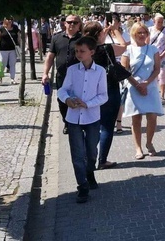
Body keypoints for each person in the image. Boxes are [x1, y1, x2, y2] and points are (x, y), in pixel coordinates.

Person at [57, 36, 108, 203]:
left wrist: (88, 104)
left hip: (92, 116)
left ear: (91, 52)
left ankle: (89, 171)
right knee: (77, 154)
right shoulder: (72, 70)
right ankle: (82, 186)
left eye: (82, 51)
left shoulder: (100, 71)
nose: (78, 54)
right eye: (76, 51)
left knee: (91, 152)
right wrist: (67, 100)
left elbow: (103, 96)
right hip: (73, 119)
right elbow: (62, 90)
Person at [82, 21, 131, 170]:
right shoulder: (107, 49)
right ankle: (102, 160)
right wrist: (115, 31)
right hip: (109, 89)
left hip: (89, 91)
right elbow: (124, 47)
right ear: (98, 35)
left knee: (92, 127)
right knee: (107, 127)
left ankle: (87, 158)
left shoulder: (83, 50)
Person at [121, 22, 164, 160]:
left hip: (150, 86)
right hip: (134, 87)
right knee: (136, 118)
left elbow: (157, 69)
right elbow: (124, 71)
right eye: (139, 32)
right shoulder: (128, 50)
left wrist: (146, 83)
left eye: (144, 32)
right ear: (133, 34)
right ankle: (138, 147)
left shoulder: (153, 49)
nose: (142, 35)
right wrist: (138, 85)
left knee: (152, 117)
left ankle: (149, 142)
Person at [43, 15, 83, 135]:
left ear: (79, 25)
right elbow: (50, 57)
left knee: (77, 98)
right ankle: (66, 121)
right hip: (62, 75)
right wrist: (45, 73)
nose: (72, 24)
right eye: (69, 22)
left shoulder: (83, 39)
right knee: (62, 100)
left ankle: (77, 122)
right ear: (65, 23)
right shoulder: (57, 38)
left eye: (75, 22)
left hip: (79, 76)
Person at [149, 14, 165, 104]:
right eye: (158, 21)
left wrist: (162, 55)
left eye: (161, 22)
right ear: (154, 21)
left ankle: (162, 96)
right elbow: (147, 43)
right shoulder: (150, 29)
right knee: (152, 75)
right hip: (151, 55)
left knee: (161, 74)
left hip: (163, 55)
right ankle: (153, 95)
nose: (160, 23)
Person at [0, 16, 20, 85]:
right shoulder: (0, 28)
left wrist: (21, 47)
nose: (10, 21)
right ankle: (0, 78)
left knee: (12, 64)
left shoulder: (15, 27)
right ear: (5, 20)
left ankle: (12, 79)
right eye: (8, 19)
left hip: (13, 49)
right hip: (3, 49)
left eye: (11, 19)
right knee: (2, 64)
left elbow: (19, 38)